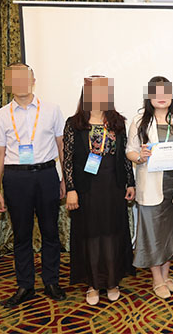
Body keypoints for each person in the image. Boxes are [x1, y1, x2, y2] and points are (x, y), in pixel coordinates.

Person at [0, 62, 66, 307]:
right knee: (22, 235)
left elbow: (62, 146)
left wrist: (66, 178)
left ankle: (51, 281)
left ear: (33, 80)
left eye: (25, 77)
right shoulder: (1, 115)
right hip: (16, 178)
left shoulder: (52, 110)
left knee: (50, 231)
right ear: (8, 83)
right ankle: (25, 285)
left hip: (46, 175)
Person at [63, 76, 136, 305]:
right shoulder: (74, 123)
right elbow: (67, 158)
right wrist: (71, 189)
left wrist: (130, 183)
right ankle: (93, 284)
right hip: (87, 188)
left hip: (113, 186)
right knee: (91, 235)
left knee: (112, 234)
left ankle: (112, 281)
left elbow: (124, 156)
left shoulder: (117, 122)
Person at [126, 76, 173, 300]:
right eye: (156, 93)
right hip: (151, 185)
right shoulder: (139, 121)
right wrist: (140, 156)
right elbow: (130, 151)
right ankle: (157, 279)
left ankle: (166, 276)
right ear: (149, 96)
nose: (161, 97)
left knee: (170, 232)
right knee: (154, 234)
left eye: (165, 92)